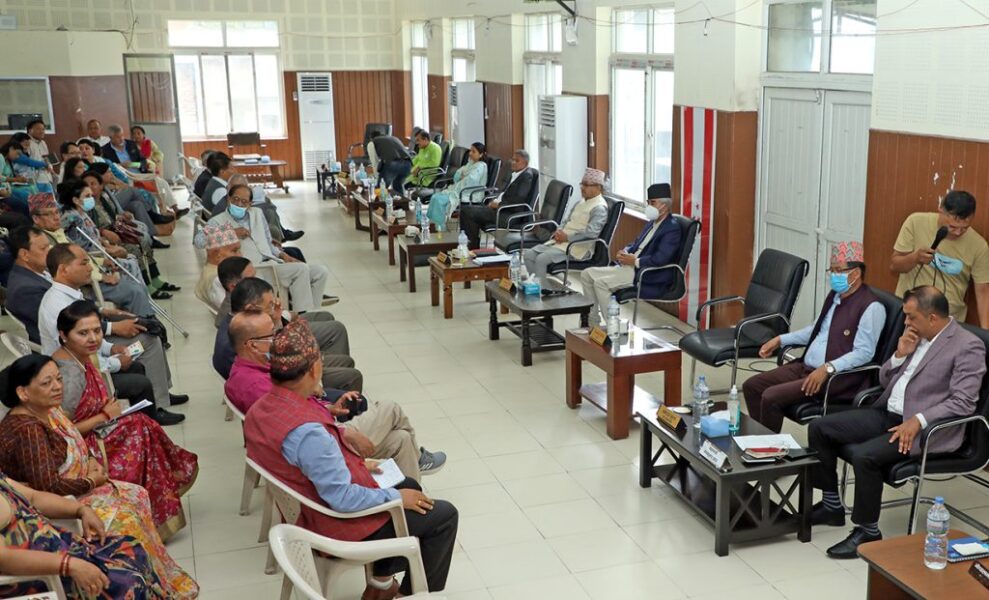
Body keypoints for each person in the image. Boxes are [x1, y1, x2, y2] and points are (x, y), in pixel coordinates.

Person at [244, 320, 458, 598]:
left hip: (309, 507)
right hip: (336, 523)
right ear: (313, 369)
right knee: (444, 516)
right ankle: (406, 593)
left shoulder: (261, 409)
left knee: (409, 484)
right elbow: (342, 499)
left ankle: (380, 582)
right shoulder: (309, 434)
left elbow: (306, 463)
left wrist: (360, 465)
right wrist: (395, 499)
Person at [807, 286, 985, 559]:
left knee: (865, 456)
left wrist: (919, 420)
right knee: (820, 427)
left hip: (925, 429)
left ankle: (867, 531)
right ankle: (832, 505)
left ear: (933, 318)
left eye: (911, 317)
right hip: (888, 413)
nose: (906, 323)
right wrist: (900, 354)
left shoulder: (967, 346)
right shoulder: (916, 336)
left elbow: (963, 402)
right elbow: (885, 381)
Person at [0, 354, 199, 596]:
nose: (57, 386)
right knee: (126, 516)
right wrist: (91, 481)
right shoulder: (28, 431)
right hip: (51, 530)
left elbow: (34, 493)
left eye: (59, 379)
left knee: (136, 494)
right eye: (47, 383)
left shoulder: (48, 411)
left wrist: (91, 464)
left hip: (64, 510)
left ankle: (157, 585)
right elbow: (48, 487)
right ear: (23, 393)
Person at [226, 310, 446, 479]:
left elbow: (295, 411)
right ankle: (415, 468)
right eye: (272, 334)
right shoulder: (256, 385)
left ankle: (411, 504)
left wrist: (328, 408)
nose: (277, 337)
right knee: (390, 408)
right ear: (252, 345)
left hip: (323, 427)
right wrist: (343, 432)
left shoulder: (252, 369)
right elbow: (298, 431)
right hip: (326, 445)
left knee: (401, 439)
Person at [51, 300, 198, 535]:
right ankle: (153, 507)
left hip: (96, 430)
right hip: (80, 449)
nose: (93, 339)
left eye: (97, 331)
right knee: (142, 430)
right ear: (63, 335)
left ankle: (154, 503)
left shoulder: (80, 357)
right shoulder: (68, 375)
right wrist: (103, 416)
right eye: (83, 333)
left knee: (144, 425)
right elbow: (62, 432)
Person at [742, 242, 886, 433]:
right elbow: (814, 331)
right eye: (831, 270)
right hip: (805, 367)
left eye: (838, 271)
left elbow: (864, 353)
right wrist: (780, 340)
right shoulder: (835, 296)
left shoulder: (871, 307)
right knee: (752, 386)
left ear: (856, 273)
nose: (834, 276)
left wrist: (827, 368)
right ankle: (759, 441)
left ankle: (768, 452)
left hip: (834, 379)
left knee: (770, 396)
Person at [39, 243, 187, 425]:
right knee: (140, 382)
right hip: (78, 374)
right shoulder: (57, 305)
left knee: (145, 344)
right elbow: (76, 355)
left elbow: (89, 339)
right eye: (84, 263)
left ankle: (156, 401)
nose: (90, 268)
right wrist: (116, 362)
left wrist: (112, 348)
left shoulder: (71, 294)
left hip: (90, 360)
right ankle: (152, 417)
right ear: (64, 269)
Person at [0, 474, 170, 598]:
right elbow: (4, 558)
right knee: (129, 583)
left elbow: (33, 497)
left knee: (132, 548)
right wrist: (69, 566)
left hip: (66, 552)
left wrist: (81, 510)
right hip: (42, 577)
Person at [214, 276, 360, 390]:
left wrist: (276, 320)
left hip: (286, 371)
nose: (275, 306)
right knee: (352, 376)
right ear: (251, 307)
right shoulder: (238, 340)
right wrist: (314, 379)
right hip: (290, 380)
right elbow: (277, 363)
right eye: (270, 305)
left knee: (345, 361)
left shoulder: (240, 323)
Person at [202, 183, 330, 313]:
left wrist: (283, 255)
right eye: (235, 199)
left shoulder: (257, 213)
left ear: (250, 204)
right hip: (255, 269)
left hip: (272, 262)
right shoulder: (217, 221)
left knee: (320, 271)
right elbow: (199, 240)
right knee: (300, 269)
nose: (239, 204)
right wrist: (230, 232)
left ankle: (313, 312)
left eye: (244, 202)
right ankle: (302, 314)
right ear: (228, 199)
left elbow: (268, 243)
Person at [579, 183, 681, 324]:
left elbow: (661, 258)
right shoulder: (652, 223)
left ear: (664, 205)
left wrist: (635, 261)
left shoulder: (672, 229)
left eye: (652, 202)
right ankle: (592, 322)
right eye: (648, 202)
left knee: (601, 284)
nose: (649, 206)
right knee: (586, 274)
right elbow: (636, 243)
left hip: (645, 272)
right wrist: (625, 251)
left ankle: (613, 327)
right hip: (628, 266)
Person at [891, 190, 989, 327]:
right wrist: (915, 258)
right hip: (909, 313)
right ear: (941, 210)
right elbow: (895, 265)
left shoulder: (979, 246)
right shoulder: (916, 222)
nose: (958, 233)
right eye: (952, 227)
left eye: (965, 228)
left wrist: (986, 332)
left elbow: (983, 292)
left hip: (947, 320)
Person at [523, 167, 609, 280]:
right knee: (529, 255)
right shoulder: (581, 202)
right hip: (562, 242)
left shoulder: (599, 208)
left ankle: (542, 289)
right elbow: (567, 220)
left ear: (598, 187)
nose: (582, 188)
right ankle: (536, 285)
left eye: (587, 185)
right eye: (582, 184)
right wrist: (558, 231)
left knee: (541, 259)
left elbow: (591, 234)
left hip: (577, 247)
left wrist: (567, 237)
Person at [459, 149, 536, 249]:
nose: (513, 163)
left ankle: (472, 246)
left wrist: (498, 205)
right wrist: (494, 201)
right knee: (469, 212)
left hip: (507, 215)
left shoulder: (526, 177)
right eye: (513, 159)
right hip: (499, 209)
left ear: (525, 163)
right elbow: (504, 193)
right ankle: (471, 246)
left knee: (467, 211)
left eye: (517, 161)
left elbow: (518, 200)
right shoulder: (515, 173)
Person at [425, 142, 487, 227]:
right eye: (470, 151)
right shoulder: (471, 163)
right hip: (459, 189)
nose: (470, 153)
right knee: (435, 197)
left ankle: (439, 227)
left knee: (439, 200)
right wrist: (463, 176)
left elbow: (470, 181)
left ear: (481, 154)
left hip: (470, 194)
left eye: (473, 151)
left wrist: (463, 176)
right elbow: (457, 174)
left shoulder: (481, 166)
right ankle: (432, 225)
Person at [195, 223, 242, 311]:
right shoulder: (218, 280)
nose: (240, 255)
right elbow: (231, 310)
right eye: (234, 251)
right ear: (216, 254)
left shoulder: (210, 271)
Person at [25, 119, 54, 184]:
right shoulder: (26, 142)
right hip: (34, 179)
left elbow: (47, 158)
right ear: (30, 130)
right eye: (38, 129)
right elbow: (26, 162)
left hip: (47, 177)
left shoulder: (43, 143)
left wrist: (50, 166)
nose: (42, 131)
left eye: (43, 129)